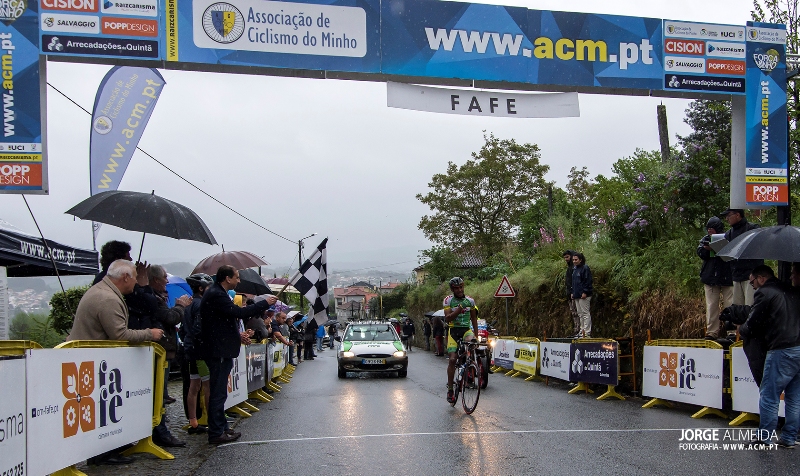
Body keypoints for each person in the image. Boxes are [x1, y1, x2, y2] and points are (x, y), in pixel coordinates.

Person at [68, 259, 163, 466]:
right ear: (125, 277)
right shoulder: (107, 298)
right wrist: (150, 334)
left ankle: (106, 451)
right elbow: (120, 335)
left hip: (92, 360)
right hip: (95, 363)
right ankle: (102, 453)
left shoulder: (103, 291)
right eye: (135, 277)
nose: (136, 282)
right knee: (101, 409)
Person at [200, 265, 277, 444]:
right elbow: (238, 313)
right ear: (227, 278)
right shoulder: (216, 294)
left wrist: (238, 335)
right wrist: (265, 303)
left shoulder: (218, 293)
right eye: (236, 277)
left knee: (220, 392)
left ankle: (222, 427)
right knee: (218, 392)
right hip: (218, 350)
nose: (239, 280)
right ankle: (216, 432)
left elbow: (225, 321)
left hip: (221, 348)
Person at [125, 264, 190, 448]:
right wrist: (180, 306)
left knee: (160, 392)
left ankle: (159, 428)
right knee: (157, 393)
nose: (166, 281)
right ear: (155, 280)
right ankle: (158, 431)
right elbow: (169, 317)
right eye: (164, 278)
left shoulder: (158, 297)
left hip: (163, 350)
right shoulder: (152, 299)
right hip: (157, 350)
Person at [738, 265, 800, 447]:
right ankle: (789, 437)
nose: (752, 286)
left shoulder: (765, 292)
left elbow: (753, 322)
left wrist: (741, 329)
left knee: (769, 394)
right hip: (798, 346)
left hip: (781, 347)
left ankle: (764, 437)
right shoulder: (793, 290)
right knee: (794, 396)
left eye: (752, 282)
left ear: (761, 278)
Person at [180, 273, 213, 435]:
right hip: (200, 351)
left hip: (190, 350)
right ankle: (212, 421)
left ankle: (193, 421)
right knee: (207, 387)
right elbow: (199, 328)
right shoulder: (201, 305)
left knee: (194, 386)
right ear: (201, 288)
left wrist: (189, 342)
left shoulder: (189, 304)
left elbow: (182, 330)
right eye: (209, 288)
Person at [443, 277, 479, 404]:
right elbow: (448, 318)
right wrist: (460, 308)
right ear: (452, 289)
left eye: (461, 287)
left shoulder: (470, 301)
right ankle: (450, 389)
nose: (459, 290)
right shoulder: (448, 300)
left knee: (472, 342)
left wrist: (476, 335)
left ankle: (469, 368)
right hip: (453, 331)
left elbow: (474, 319)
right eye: (456, 288)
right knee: (452, 360)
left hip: (466, 330)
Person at [697, 217, 733, 339]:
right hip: (710, 277)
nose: (709, 231)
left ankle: (732, 331)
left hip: (727, 276)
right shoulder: (705, 240)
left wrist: (718, 248)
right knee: (712, 306)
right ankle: (712, 332)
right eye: (708, 229)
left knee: (730, 305)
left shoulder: (728, 238)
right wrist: (707, 249)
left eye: (712, 229)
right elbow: (700, 253)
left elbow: (731, 255)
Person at [722, 208, 762, 306]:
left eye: (728, 215)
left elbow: (758, 250)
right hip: (736, 276)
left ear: (737, 215)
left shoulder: (753, 229)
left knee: (750, 306)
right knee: (738, 309)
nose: (727, 219)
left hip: (751, 276)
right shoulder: (728, 234)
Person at [571, 252, 593, 338]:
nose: (574, 261)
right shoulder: (575, 269)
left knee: (585, 313)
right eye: (573, 260)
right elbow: (574, 283)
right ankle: (582, 331)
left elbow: (588, 281)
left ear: (580, 260)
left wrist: (585, 292)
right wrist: (572, 292)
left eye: (576, 259)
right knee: (580, 314)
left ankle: (587, 332)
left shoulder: (585, 268)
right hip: (577, 294)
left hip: (584, 295)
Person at [563, 250, 579, 336]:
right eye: (565, 257)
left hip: (574, 294)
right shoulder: (570, 267)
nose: (566, 259)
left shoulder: (575, 268)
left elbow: (575, 281)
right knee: (574, 313)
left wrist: (573, 292)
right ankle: (576, 330)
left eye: (567, 257)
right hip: (570, 294)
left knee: (578, 312)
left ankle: (579, 331)